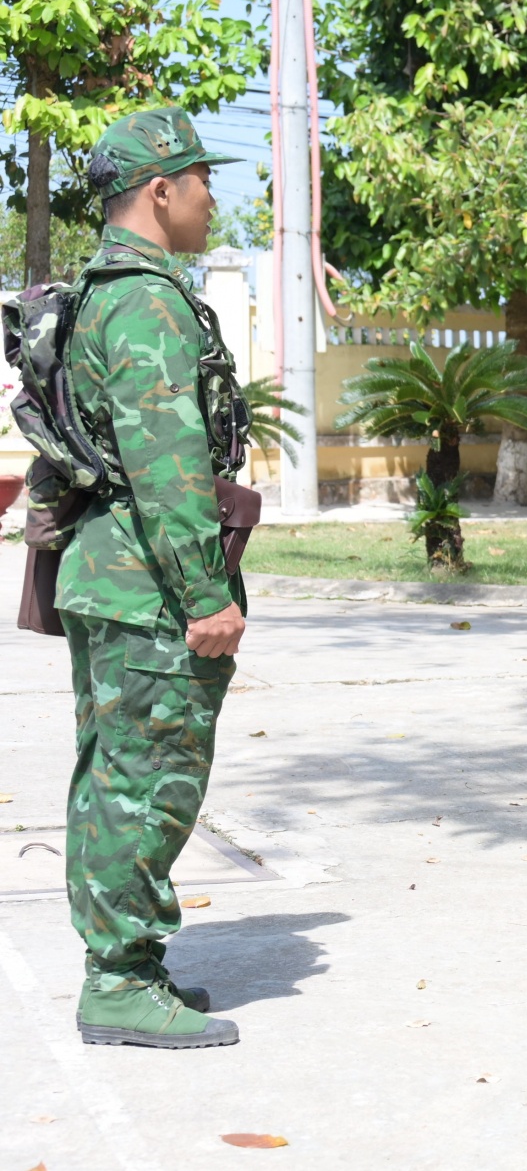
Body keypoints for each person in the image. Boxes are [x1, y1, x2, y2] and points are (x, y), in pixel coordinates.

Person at [59, 108, 251, 1048]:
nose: (214, 197)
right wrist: (207, 596)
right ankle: (120, 978)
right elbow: (167, 466)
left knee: (114, 776)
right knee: (148, 781)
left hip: (112, 576)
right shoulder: (147, 302)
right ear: (161, 190)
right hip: (149, 592)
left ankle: (126, 963)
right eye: (202, 180)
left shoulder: (100, 292)